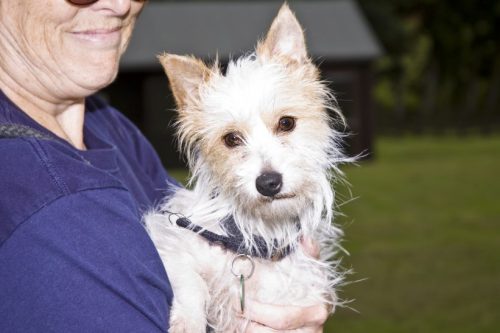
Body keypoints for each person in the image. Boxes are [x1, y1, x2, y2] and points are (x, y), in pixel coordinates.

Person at [0, 1, 329, 332]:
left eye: (285, 124)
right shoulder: (41, 201)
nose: (120, 3)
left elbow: (177, 232)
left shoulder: (110, 127)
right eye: (232, 140)